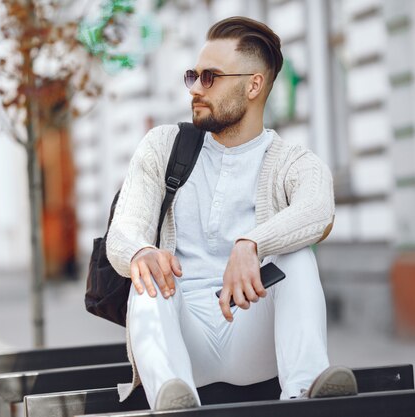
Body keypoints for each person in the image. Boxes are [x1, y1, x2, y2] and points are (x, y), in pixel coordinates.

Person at [106, 16, 357, 411]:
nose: (195, 89)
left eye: (210, 78)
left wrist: (252, 243)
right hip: (182, 335)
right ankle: (173, 401)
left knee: (296, 255)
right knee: (148, 272)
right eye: (193, 76)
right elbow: (123, 232)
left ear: (253, 85)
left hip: (252, 334)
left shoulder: (291, 161)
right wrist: (140, 253)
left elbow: (319, 211)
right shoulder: (162, 147)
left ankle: (307, 394)